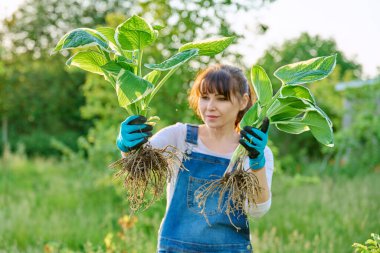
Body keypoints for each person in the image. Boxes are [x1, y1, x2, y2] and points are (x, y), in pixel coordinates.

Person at [116, 64, 274, 253]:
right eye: (205, 97)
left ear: (243, 101)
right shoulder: (180, 137)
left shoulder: (255, 151)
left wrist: (256, 162)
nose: (210, 107)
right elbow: (139, 169)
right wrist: (128, 147)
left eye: (221, 99)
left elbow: (257, 210)